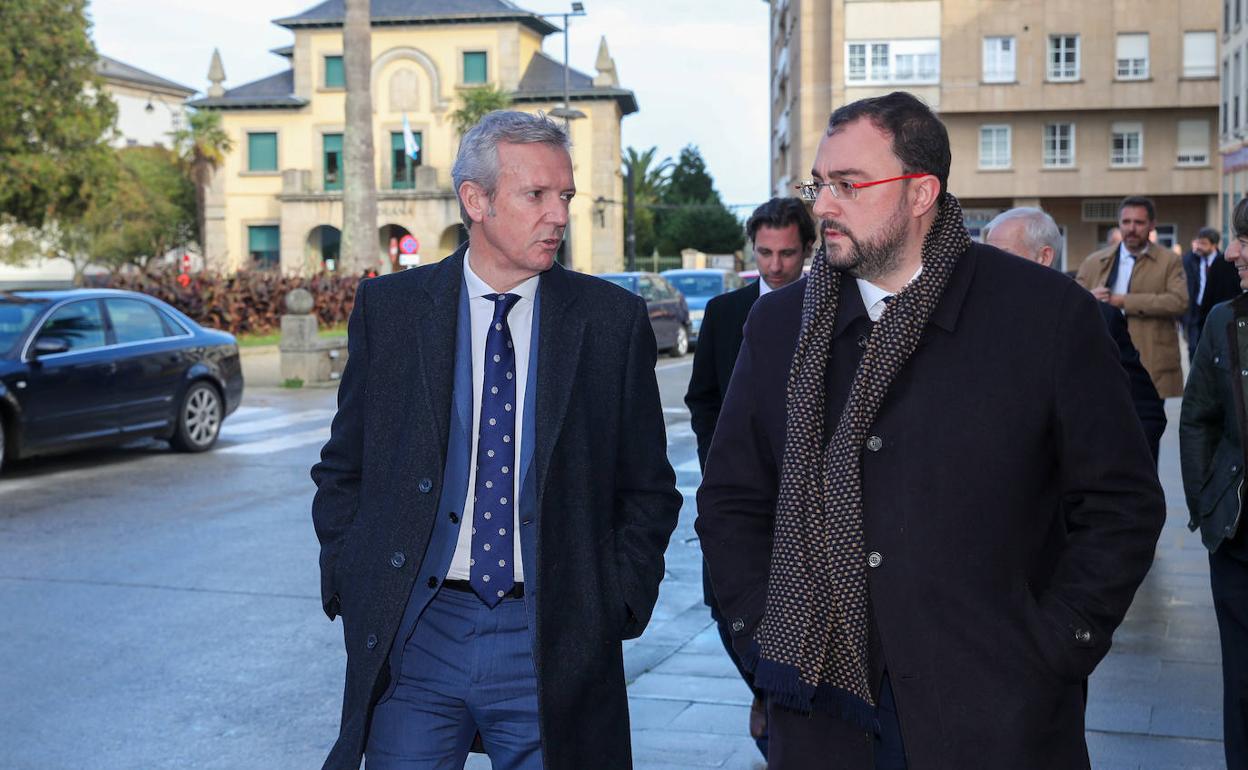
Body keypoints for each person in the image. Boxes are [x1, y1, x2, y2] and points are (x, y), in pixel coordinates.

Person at [695, 91, 1165, 769]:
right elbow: (732, 501)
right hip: (822, 718)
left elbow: (1121, 503)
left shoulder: (1044, 315)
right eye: (817, 185)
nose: (822, 206)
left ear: (921, 193)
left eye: (849, 185)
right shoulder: (778, 326)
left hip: (998, 717)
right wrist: (761, 635)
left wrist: (1057, 646)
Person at [310, 111, 681, 770]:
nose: (558, 214)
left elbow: (647, 489)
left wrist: (613, 605)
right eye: (535, 195)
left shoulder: (609, 322)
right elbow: (345, 466)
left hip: (552, 636)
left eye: (564, 195)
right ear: (475, 200)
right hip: (417, 632)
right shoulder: (392, 312)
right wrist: (350, 575)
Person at [684, 196, 815, 757]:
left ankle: (779, 698)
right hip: (744, 492)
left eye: (788, 253)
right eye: (765, 253)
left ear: (808, 250)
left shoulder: (829, 308)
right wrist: (726, 461)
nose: (776, 265)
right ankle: (762, 685)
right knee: (726, 599)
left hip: (808, 494)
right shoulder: (724, 314)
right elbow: (702, 397)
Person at [984, 207, 1166, 462]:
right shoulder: (979, 317)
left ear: (1043, 257)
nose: (988, 266)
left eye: (1001, 255)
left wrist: (1101, 476)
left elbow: (1144, 413)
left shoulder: (1094, 319)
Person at [1180, 197, 1248, 770]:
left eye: (1246, 239)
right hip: (1238, 538)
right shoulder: (1227, 320)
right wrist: (1207, 503)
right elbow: (1199, 416)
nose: (1232, 252)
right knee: (1242, 686)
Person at [1075, 197, 1188, 398]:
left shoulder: (1169, 261)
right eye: (1126, 222)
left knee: (1149, 424)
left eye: (1139, 222)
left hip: (1153, 361)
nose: (1131, 228)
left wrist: (1124, 301)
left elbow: (1179, 301)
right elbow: (1072, 304)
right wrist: (1090, 298)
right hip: (1104, 359)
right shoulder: (1094, 262)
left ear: (1152, 225)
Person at [1182, 226, 1241, 361]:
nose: (1200, 247)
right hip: (1195, 311)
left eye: (1204, 243)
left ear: (1213, 245)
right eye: (1199, 242)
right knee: (1193, 348)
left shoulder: (1224, 264)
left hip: (1213, 309)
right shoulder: (1189, 261)